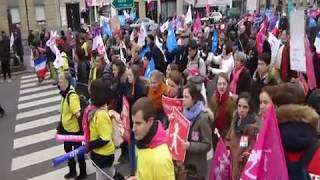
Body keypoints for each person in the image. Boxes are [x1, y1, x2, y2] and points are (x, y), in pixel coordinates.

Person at [129, 97, 175, 180]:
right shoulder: (144, 141)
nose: (134, 129)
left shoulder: (161, 159)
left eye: (138, 123)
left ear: (150, 121)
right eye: (133, 123)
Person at [56, 72, 87, 179]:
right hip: (66, 130)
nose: (58, 83)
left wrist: (83, 132)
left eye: (60, 81)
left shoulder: (71, 96)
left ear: (67, 81)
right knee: (69, 152)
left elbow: (78, 114)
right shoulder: (64, 94)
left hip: (74, 131)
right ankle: (72, 171)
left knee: (79, 153)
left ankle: (83, 173)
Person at [88, 79, 119, 180]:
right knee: (110, 173)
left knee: (103, 176)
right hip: (101, 154)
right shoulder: (98, 110)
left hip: (103, 155)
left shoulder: (100, 115)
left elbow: (105, 138)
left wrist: (90, 145)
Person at [182, 83, 213, 180]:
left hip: (197, 168)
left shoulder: (203, 118)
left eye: (186, 97)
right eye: (183, 96)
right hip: (185, 165)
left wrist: (190, 146)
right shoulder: (184, 114)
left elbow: (207, 145)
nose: (183, 100)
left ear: (194, 98)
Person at [227, 92, 259, 180]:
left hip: (242, 165)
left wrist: (242, 156)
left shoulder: (250, 127)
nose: (241, 109)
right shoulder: (236, 118)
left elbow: (244, 146)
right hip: (233, 160)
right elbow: (229, 136)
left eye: (245, 107)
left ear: (250, 109)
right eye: (239, 106)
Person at [209, 73, 236, 147]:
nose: (222, 86)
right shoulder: (213, 98)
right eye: (220, 84)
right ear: (216, 85)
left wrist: (228, 137)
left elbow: (233, 121)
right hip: (215, 134)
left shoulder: (231, 101)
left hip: (226, 136)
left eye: (224, 84)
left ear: (227, 85)